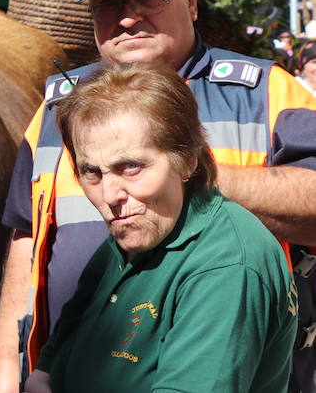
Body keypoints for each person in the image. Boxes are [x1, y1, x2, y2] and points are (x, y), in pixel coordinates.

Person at [0, 0, 316, 392]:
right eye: (108, 3)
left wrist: (184, 179)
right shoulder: (60, 106)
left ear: (191, 0)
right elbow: (27, 239)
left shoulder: (266, 91)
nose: (127, 17)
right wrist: (3, 372)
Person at [25, 63, 295, 393]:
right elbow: (65, 336)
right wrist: (44, 375)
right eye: (92, 172)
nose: (110, 196)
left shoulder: (226, 265)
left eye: (131, 167)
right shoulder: (139, 230)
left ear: (187, 160)